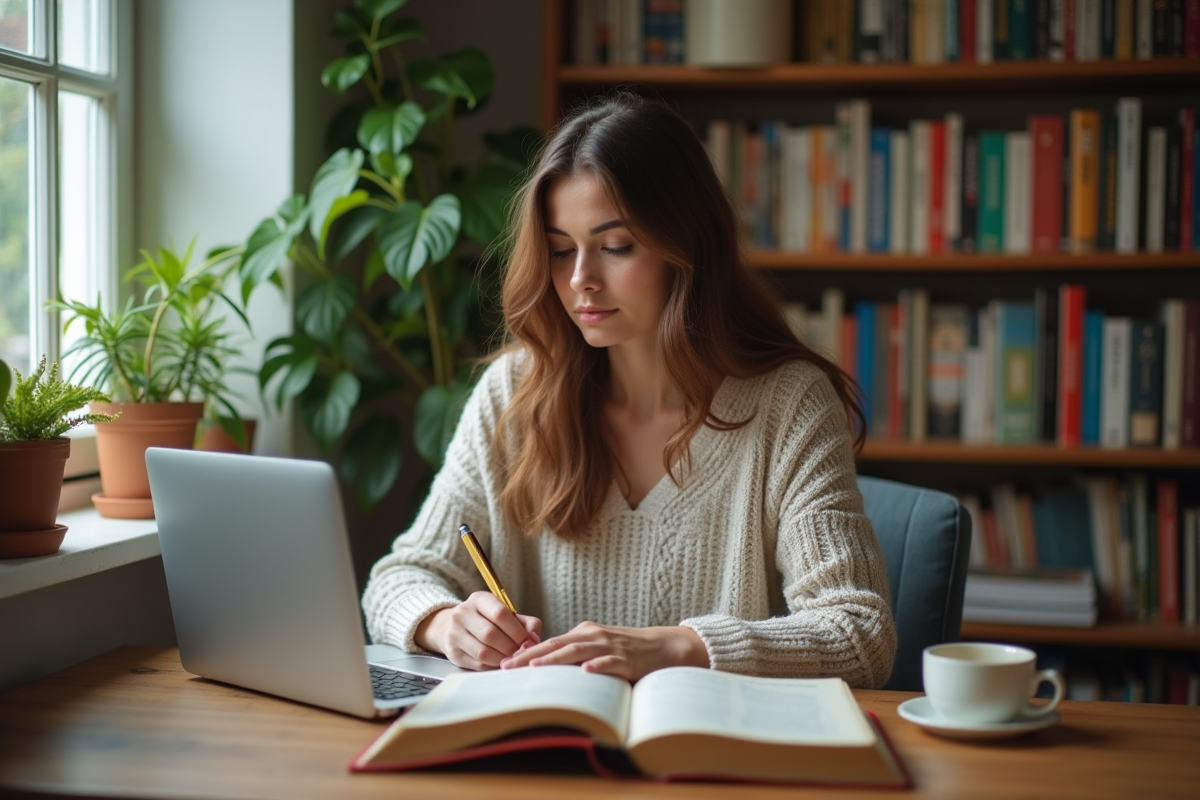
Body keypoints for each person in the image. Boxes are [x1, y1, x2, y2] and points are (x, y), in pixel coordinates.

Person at [362, 93, 896, 688]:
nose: (580, 280)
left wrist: (675, 646)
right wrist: (442, 622)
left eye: (616, 247)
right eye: (561, 250)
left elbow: (858, 633)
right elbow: (399, 575)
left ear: (686, 246)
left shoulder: (788, 405)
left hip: (708, 765)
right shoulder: (513, 394)